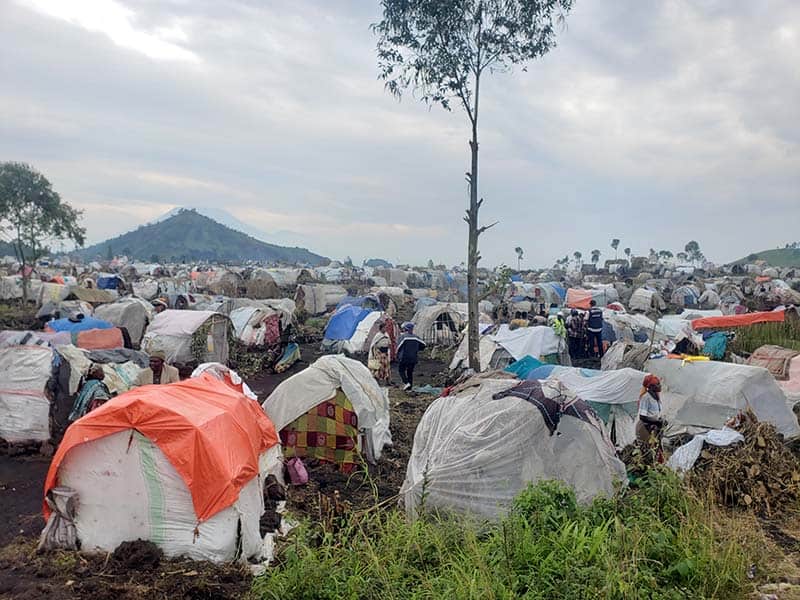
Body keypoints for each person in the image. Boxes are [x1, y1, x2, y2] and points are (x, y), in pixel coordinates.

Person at [636, 374, 666, 463]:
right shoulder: (646, 398)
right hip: (645, 428)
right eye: (657, 384)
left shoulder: (656, 397)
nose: (660, 386)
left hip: (653, 427)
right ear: (651, 387)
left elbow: (655, 414)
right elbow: (642, 417)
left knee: (656, 450)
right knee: (647, 452)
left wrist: (661, 421)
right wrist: (657, 422)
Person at [396, 322, 426, 392]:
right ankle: (410, 388)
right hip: (413, 358)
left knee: (401, 370)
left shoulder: (403, 337)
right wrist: (416, 349)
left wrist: (397, 354)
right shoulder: (416, 337)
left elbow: (398, 347)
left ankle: (406, 383)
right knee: (410, 372)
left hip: (404, 357)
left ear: (405, 329)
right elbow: (424, 345)